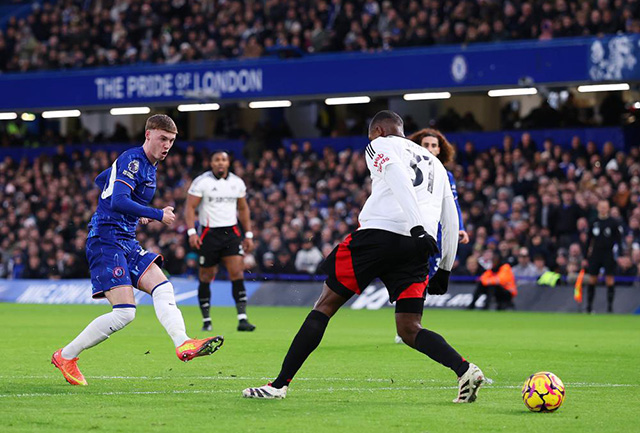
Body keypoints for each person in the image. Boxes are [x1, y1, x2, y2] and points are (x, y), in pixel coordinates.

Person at [242, 110, 484, 402]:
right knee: (410, 328)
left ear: (378, 130)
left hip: (378, 236)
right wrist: (445, 267)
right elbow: (451, 217)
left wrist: (415, 224)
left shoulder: (380, 144)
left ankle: (278, 385)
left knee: (325, 306)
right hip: (419, 248)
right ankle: (465, 370)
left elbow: (395, 174)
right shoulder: (436, 163)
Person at [52, 115, 223, 386]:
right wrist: (154, 213)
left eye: (171, 141)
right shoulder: (134, 161)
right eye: (162, 139)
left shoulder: (149, 166)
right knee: (125, 313)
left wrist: (132, 209)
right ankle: (66, 356)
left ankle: (183, 343)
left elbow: (102, 180)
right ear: (148, 135)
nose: (167, 145)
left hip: (126, 239)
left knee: (163, 287)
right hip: (106, 240)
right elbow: (118, 199)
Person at [185, 151, 256, 332]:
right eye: (217, 160)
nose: (220, 163)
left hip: (231, 233)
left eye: (223, 160)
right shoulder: (202, 182)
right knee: (206, 277)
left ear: (228, 163)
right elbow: (190, 207)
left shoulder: (237, 183)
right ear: (211, 163)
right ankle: (207, 320)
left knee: (237, 273)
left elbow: (243, 208)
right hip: (209, 234)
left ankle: (242, 319)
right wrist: (192, 232)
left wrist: (248, 234)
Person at [585, 200, 624, 313]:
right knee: (592, 279)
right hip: (596, 254)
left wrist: (620, 254)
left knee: (609, 279)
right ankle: (589, 306)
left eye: (605, 207)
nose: (603, 209)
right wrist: (585, 255)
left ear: (608, 208)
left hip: (608, 253)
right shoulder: (594, 222)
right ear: (598, 208)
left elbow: (618, 240)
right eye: (601, 207)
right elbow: (588, 240)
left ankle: (610, 307)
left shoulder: (613, 222)